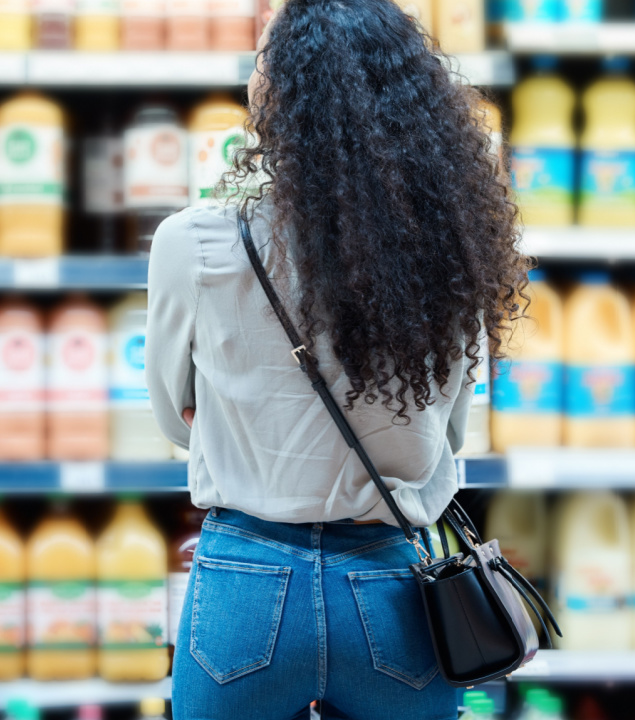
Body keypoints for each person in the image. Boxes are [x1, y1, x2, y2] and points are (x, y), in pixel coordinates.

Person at [146, 0, 529, 715]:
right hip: (392, 592)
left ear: (281, 91)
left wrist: (237, 424)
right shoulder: (450, 253)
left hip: (245, 582)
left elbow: (175, 419)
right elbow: (446, 438)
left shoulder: (193, 245)